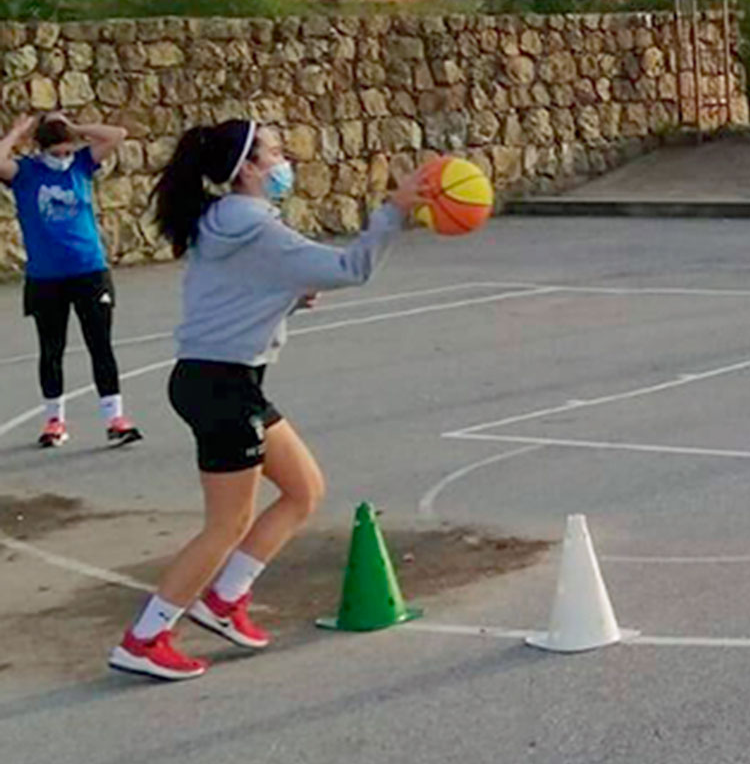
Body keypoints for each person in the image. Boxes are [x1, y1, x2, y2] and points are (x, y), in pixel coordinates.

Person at [108, 119, 429, 682]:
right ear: (248, 169)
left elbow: (233, 290)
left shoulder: (221, 219)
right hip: (221, 386)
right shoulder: (254, 226)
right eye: (275, 153)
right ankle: (144, 638)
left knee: (304, 490)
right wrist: (394, 211)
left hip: (221, 380)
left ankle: (225, 599)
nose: (285, 161)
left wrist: (285, 298)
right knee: (226, 524)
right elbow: (351, 269)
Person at [1, 111, 141, 449]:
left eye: (67, 151)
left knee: (100, 344)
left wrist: (75, 128)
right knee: (52, 349)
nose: (63, 158)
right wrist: (18, 132)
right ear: (41, 150)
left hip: (89, 270)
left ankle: (115, 418)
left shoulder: (80, 165)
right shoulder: (26, 173)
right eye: (57, 153)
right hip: (46, 278)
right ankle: (54, 420)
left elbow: (117, 135)